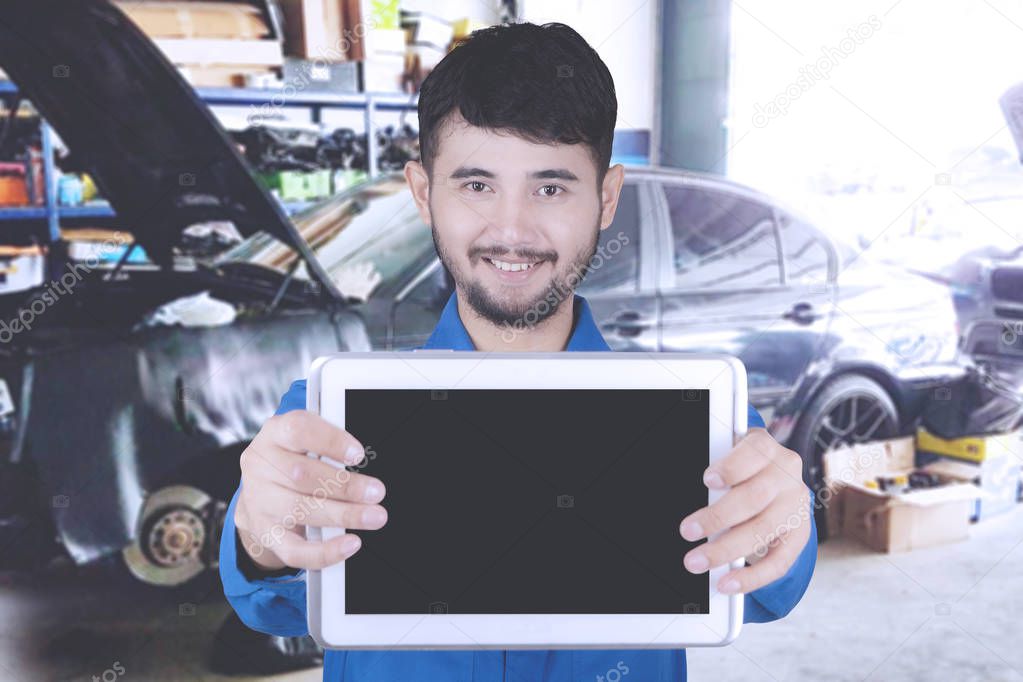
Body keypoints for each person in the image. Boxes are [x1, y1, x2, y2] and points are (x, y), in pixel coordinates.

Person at [219, 21, 817, 681]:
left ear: (606, 198)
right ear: (424, 194)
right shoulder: (331, 420)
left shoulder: (699, 425)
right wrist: (257, 534)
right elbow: (267, 605)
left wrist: (785, 517)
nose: (511, 230)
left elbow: (768, 588)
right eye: (476, 185)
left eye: (551, 187)